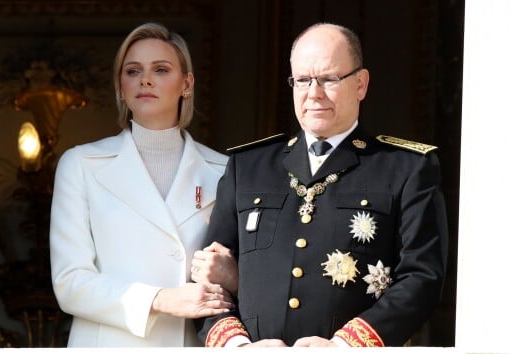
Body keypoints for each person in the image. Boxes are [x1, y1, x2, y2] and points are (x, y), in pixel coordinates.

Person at [195, 22, 448, 347]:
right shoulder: (248, 167)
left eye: (329, 79)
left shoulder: (405, 168)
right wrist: (238, 346)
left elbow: (421, 277)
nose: (313, 93)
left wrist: (343, 347)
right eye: (302, 80)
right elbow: (208, 279)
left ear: (361, 84)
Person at [49, 22, 234, 347]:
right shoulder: (80, 165)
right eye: (133, 71)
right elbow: (70, 283)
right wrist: (160, 299)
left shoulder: (224, 172)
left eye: (161, 69)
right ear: (121, 86)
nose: (145, 79)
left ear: (187, 83)